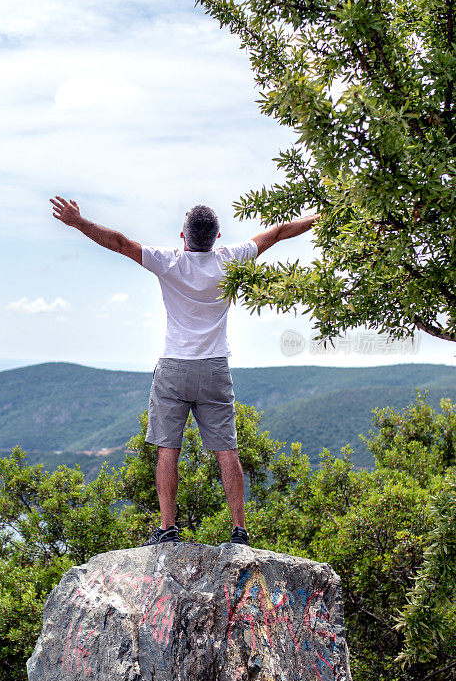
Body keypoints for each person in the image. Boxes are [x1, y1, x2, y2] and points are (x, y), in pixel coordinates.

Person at [50, 196, 320, 546]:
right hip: (214, 368)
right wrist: (322, 217)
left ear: (183, 236)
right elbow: (281, 232)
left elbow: (119, 243)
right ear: (217, 236)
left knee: (167, 449)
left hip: (174, 368)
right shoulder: (231, 259)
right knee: (227, 450)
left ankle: (167, 529)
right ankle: (239, 530)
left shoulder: (169, 262)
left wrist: (78, 222)